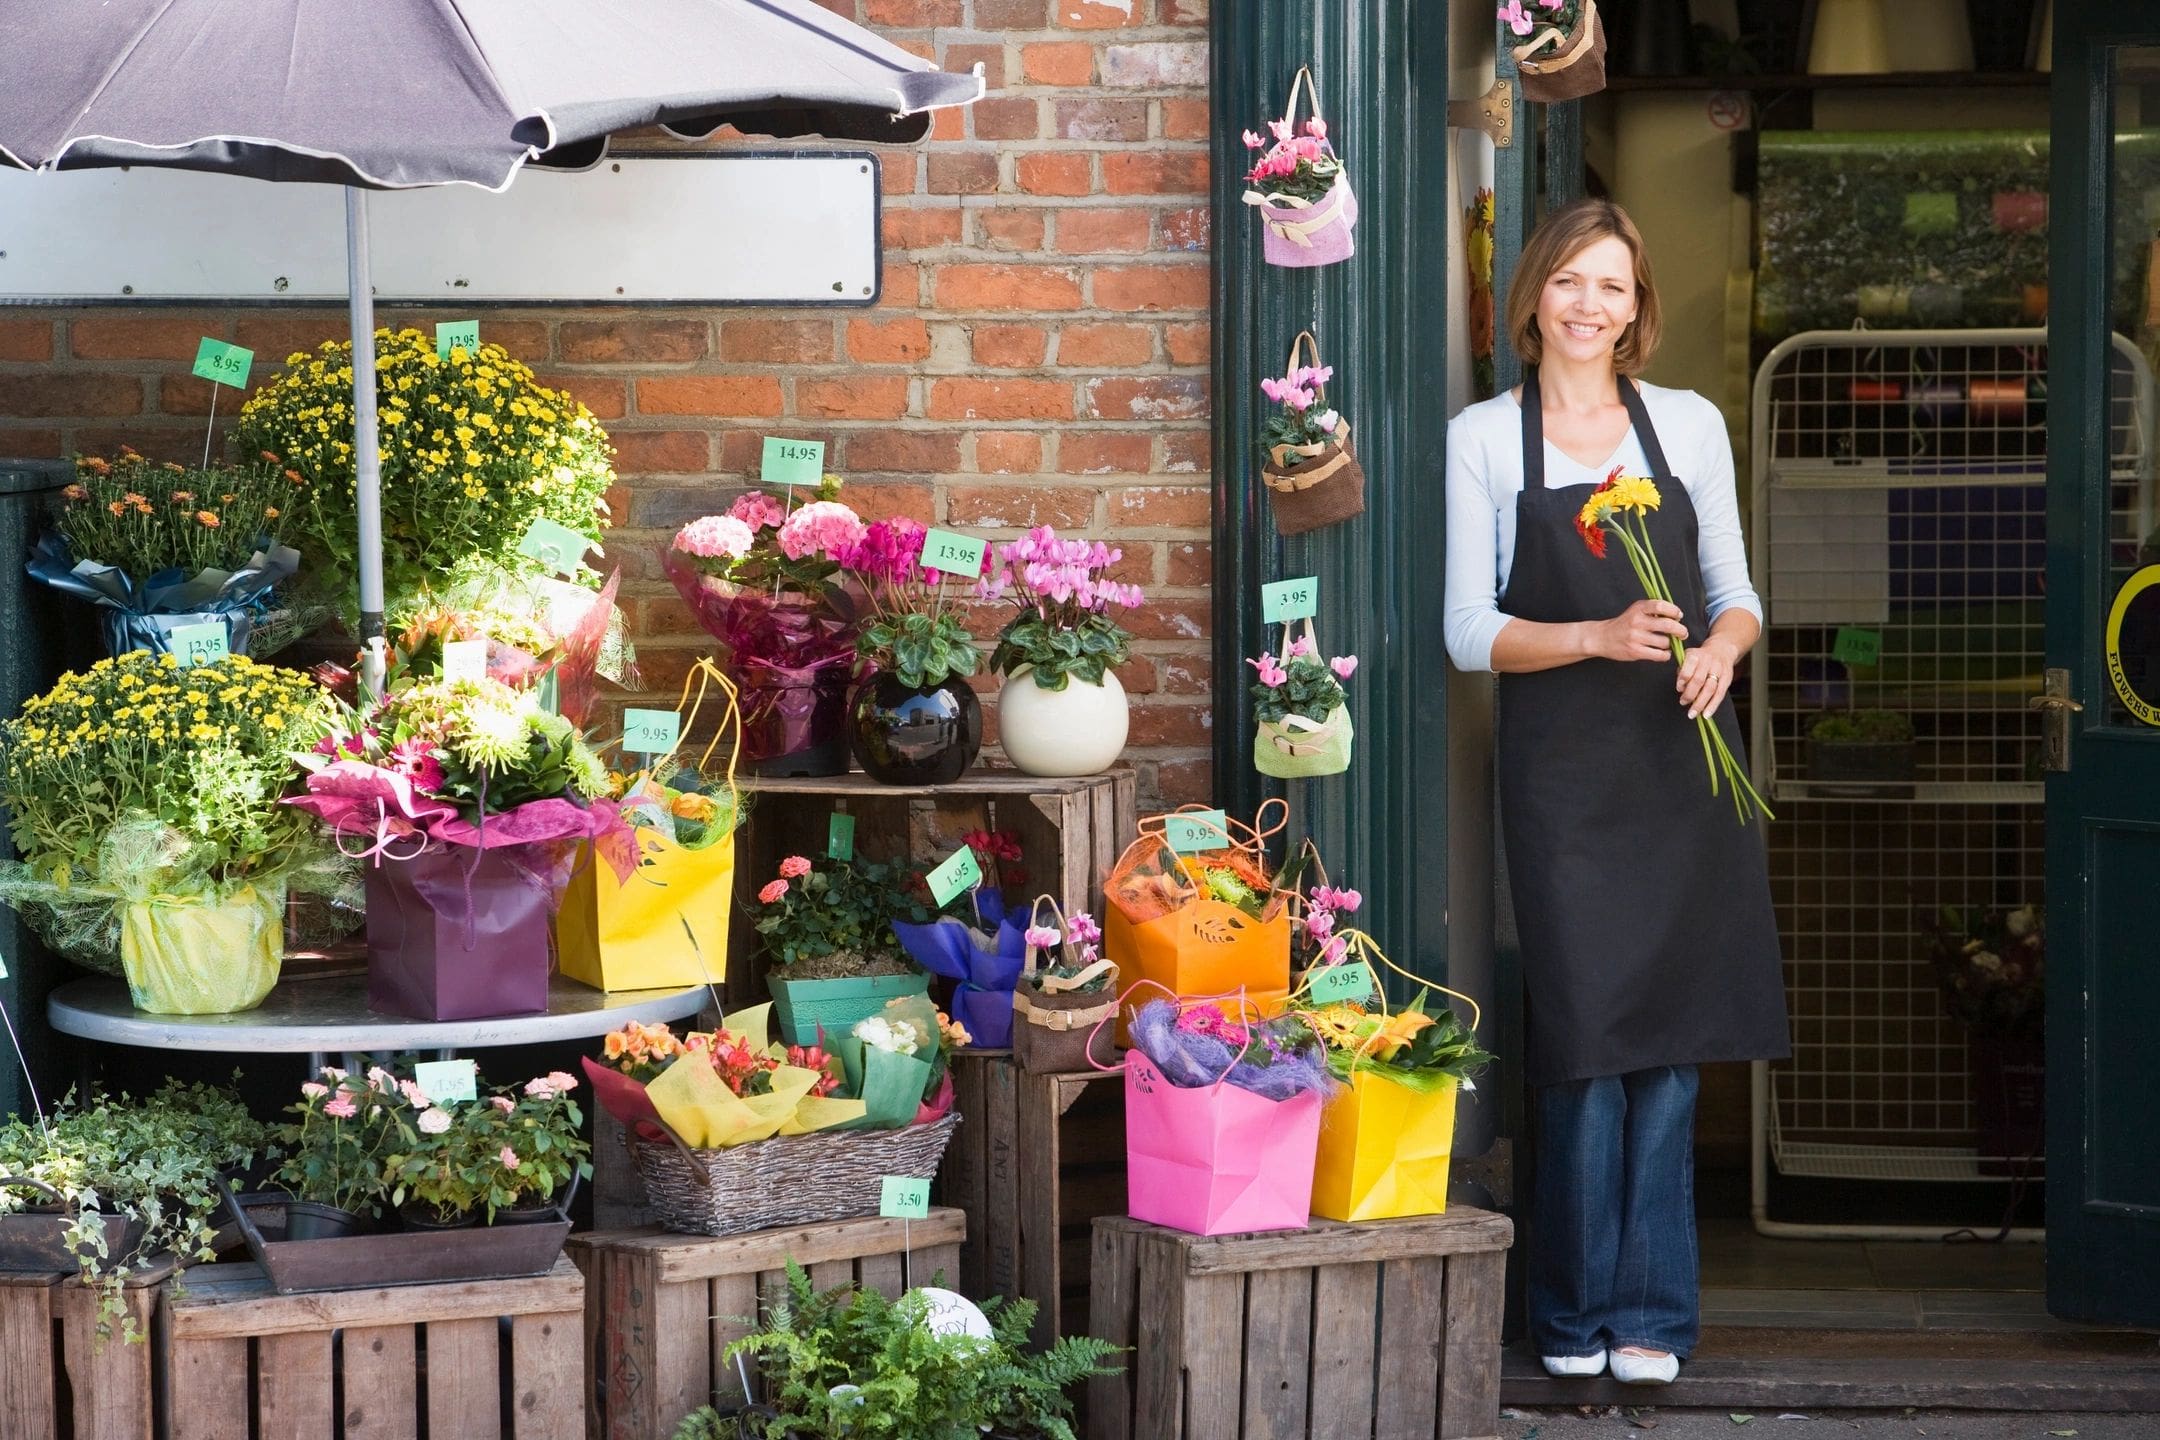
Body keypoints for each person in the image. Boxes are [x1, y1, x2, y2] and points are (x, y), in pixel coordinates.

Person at [1442, 198, 1790, 1386]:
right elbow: (1464, 631)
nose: (1590, 306)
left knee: (1672, 1052)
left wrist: (1719, 650)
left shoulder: (1686, 426)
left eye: (1614, 288)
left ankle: (1652, 1319)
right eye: (1570, 283)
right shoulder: (1486, 437)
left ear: (1638, 309)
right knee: (1585, 1051)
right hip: (1567, 787)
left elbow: (1738, 590)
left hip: (1685, 763)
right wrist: (1593, 634)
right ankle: (1570, 1316)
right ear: (1534, 293)